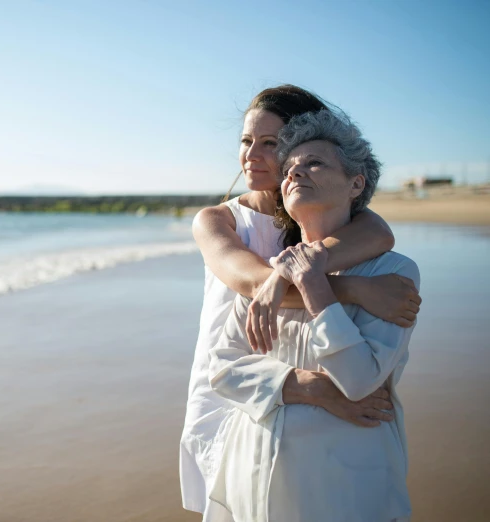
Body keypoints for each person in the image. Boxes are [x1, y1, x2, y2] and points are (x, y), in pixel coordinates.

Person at [179, 86, 422, 521]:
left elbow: (379, 234)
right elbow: (252, 284)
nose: (253, 154)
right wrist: (349, 290)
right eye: (246, 141)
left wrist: (304, 272)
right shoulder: (220, 220)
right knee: (239, 494)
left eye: (270, 143)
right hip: (234, 399)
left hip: (313, 421)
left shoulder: (326, 226)